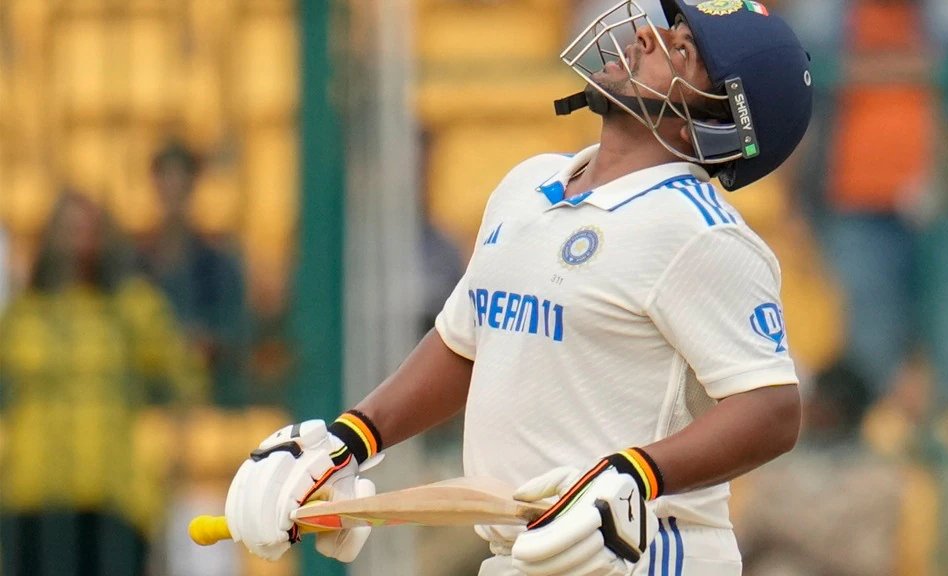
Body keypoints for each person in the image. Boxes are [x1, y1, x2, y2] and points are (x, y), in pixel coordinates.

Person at [224, 1, 812, 574]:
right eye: (670, 27)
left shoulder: (701, 235)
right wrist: (350, 440)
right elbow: (467, 341)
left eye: (681, 51)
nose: (647, 37)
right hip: (521, 555)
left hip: (643, 556)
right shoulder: (527, 184)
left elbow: (772, 409)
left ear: (707, 124)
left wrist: (634, 474)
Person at [0, 192, 206, 576]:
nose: (78, 242)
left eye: (88, 231)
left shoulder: (131, 307)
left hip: (111, 493)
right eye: (69, 230)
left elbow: (183, 377)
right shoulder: (23, 314)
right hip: (32, 492)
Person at [136, 141, 250, 407]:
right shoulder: (137, 259)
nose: (173, 189)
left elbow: (232, 331)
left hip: (205, 396)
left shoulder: (216, 264)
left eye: (180, 180)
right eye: (166, 179)